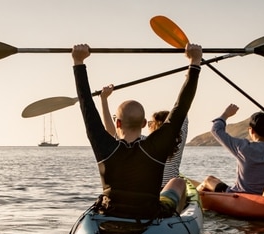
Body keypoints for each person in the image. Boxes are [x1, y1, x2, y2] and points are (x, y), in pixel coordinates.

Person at [73, 42, 203, 220]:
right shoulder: (156, 147)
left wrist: (78, 61)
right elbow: (181, 107)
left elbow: (86, 104)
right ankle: (174, 222)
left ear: (117, 124)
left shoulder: (105, 148)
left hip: (110, 212)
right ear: (143, 123)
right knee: (179, 184)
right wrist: (195, 61)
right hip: (149, 214)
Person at [198, 104, 264, 196]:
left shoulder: (242, 147)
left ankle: (190, 202)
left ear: (251, 130)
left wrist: (225, 115)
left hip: (239, 197)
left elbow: (216, 130)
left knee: (209, 180)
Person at [99, 86, 188, 188]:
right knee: (179, 183)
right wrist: (189, 76)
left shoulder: (144, 143)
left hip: (151, 193)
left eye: (150, 123)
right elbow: (183, 108)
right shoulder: (178, 142)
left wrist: (104, 99)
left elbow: (112, 132)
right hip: (168, 191)